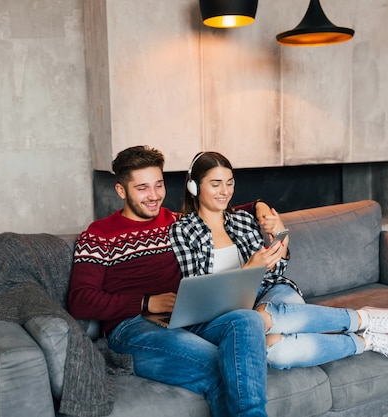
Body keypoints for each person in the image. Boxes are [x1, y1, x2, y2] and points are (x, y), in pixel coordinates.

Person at [169, 151, 388, 369]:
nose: (225, 191)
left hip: (271, 291)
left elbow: (276, 271)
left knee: (266, 318)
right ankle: (367, 339)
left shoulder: (243, 220)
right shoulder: (183, 230)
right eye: (216, 184)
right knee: (276, 353)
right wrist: (248, 270)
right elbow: (201, 293)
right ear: (194, 186)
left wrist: (282, 241)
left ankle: (363, 321)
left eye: (229, 182)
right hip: (230, 311)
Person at [68, 145, 271, 417]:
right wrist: (146, 302)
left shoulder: (178, 222)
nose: (154, 196)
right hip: (133, 328)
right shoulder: (98, 236)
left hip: (189, 318)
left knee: (248, 320)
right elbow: (80, 300)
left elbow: (219, 210)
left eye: (159, 185)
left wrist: (259, 206)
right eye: (142, 188)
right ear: (121, 191)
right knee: (222, 365)